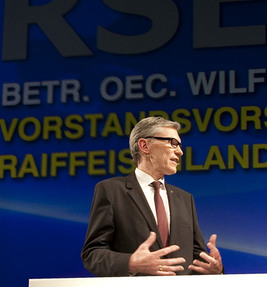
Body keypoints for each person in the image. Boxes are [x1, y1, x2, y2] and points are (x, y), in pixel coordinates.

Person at [82, 117, 223, 277]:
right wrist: (130, 263)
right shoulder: (111, 191)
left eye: (179, 145)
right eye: (172, 143)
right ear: (144, 145)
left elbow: (197, 259)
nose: (180, 151)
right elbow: (92, 254)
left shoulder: (185, 199)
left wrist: (214, 269)